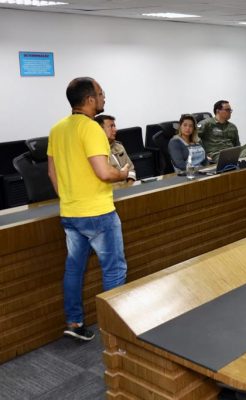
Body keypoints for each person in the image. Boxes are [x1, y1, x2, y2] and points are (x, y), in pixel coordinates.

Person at [47, 77, 129, 341]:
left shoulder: (57, 129)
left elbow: (51, 173)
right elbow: (104, 172)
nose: (104, 98)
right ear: (90, 99)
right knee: (114, 269)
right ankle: (114, 332)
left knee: (74, 269)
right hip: (98, 213)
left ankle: (74, 322)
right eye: (101, 94)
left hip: (71, 213)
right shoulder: (92, 128)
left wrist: (69, 198)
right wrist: (123, 173)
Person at [95, 114, 136, 182]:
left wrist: (130, 183)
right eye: (111, 126)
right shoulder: (95, 151)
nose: (115, 130)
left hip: (126, 186)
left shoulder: (119, 146)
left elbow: (131, 169)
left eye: (114, 126)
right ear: (100, 129)